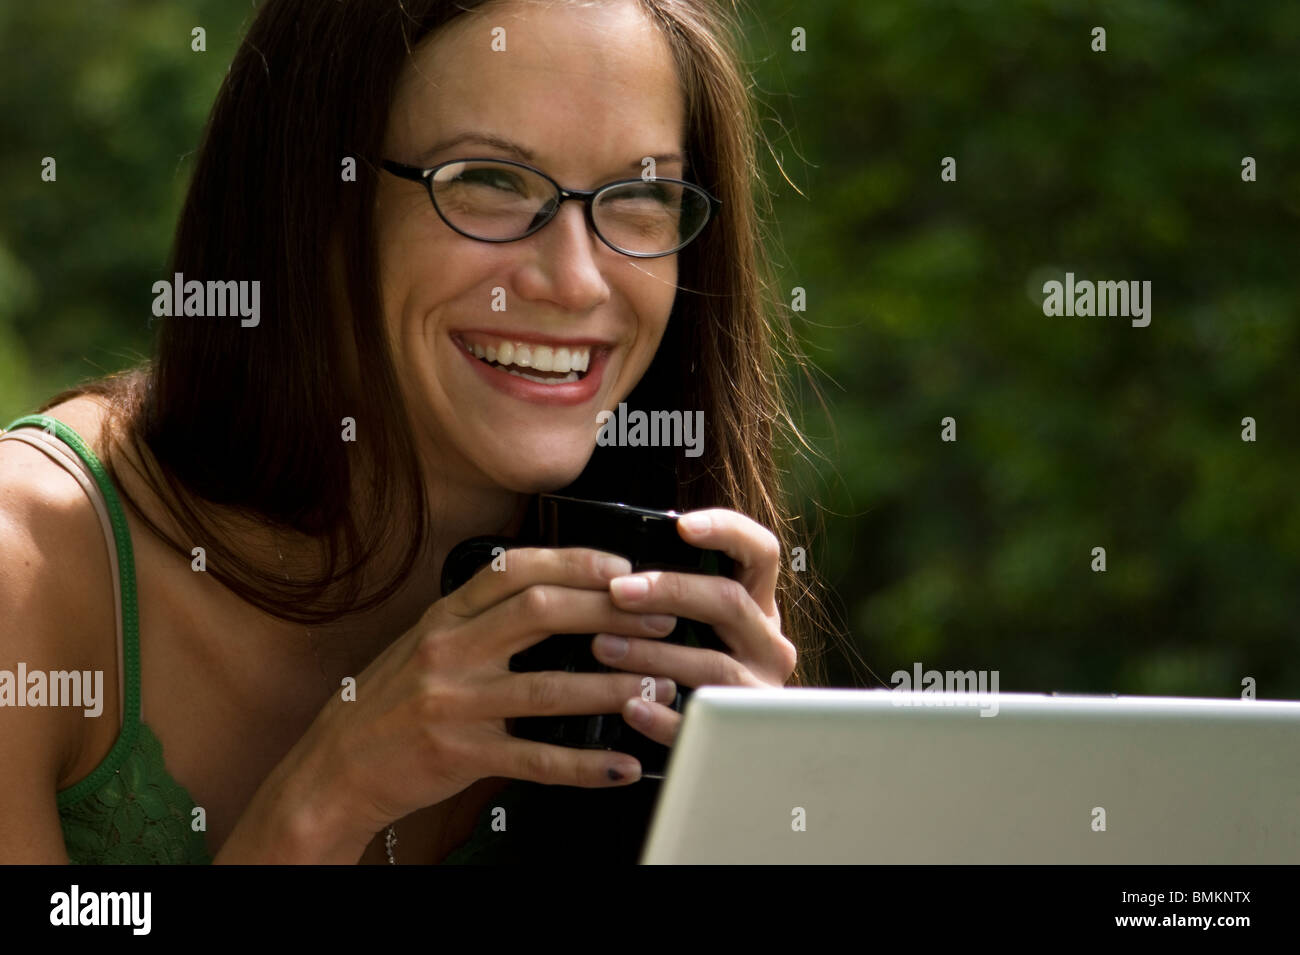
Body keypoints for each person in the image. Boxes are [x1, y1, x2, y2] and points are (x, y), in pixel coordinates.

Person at [0, 0, 836, 864]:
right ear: (310, 197)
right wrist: (329, 796)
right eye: (488, 180)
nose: (576, 279)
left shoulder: (670, 614)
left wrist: (750, 814)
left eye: (640, 196)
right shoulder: (26, 569)